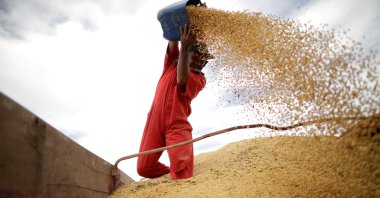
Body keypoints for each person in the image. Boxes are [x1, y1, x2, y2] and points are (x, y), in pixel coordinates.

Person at [137, 24, 213, 180]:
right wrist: (178, 22)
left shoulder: (200, 79)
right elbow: (172, 39)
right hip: (154, 121)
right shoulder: (172, 62)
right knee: (144, 168)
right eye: (197, 55)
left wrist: (185, 47)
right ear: (188, 52)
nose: (200, 60)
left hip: (176, 124)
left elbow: (181, 79)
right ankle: (170, 174)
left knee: (182, 174)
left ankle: (178, 176)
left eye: (203, 59)